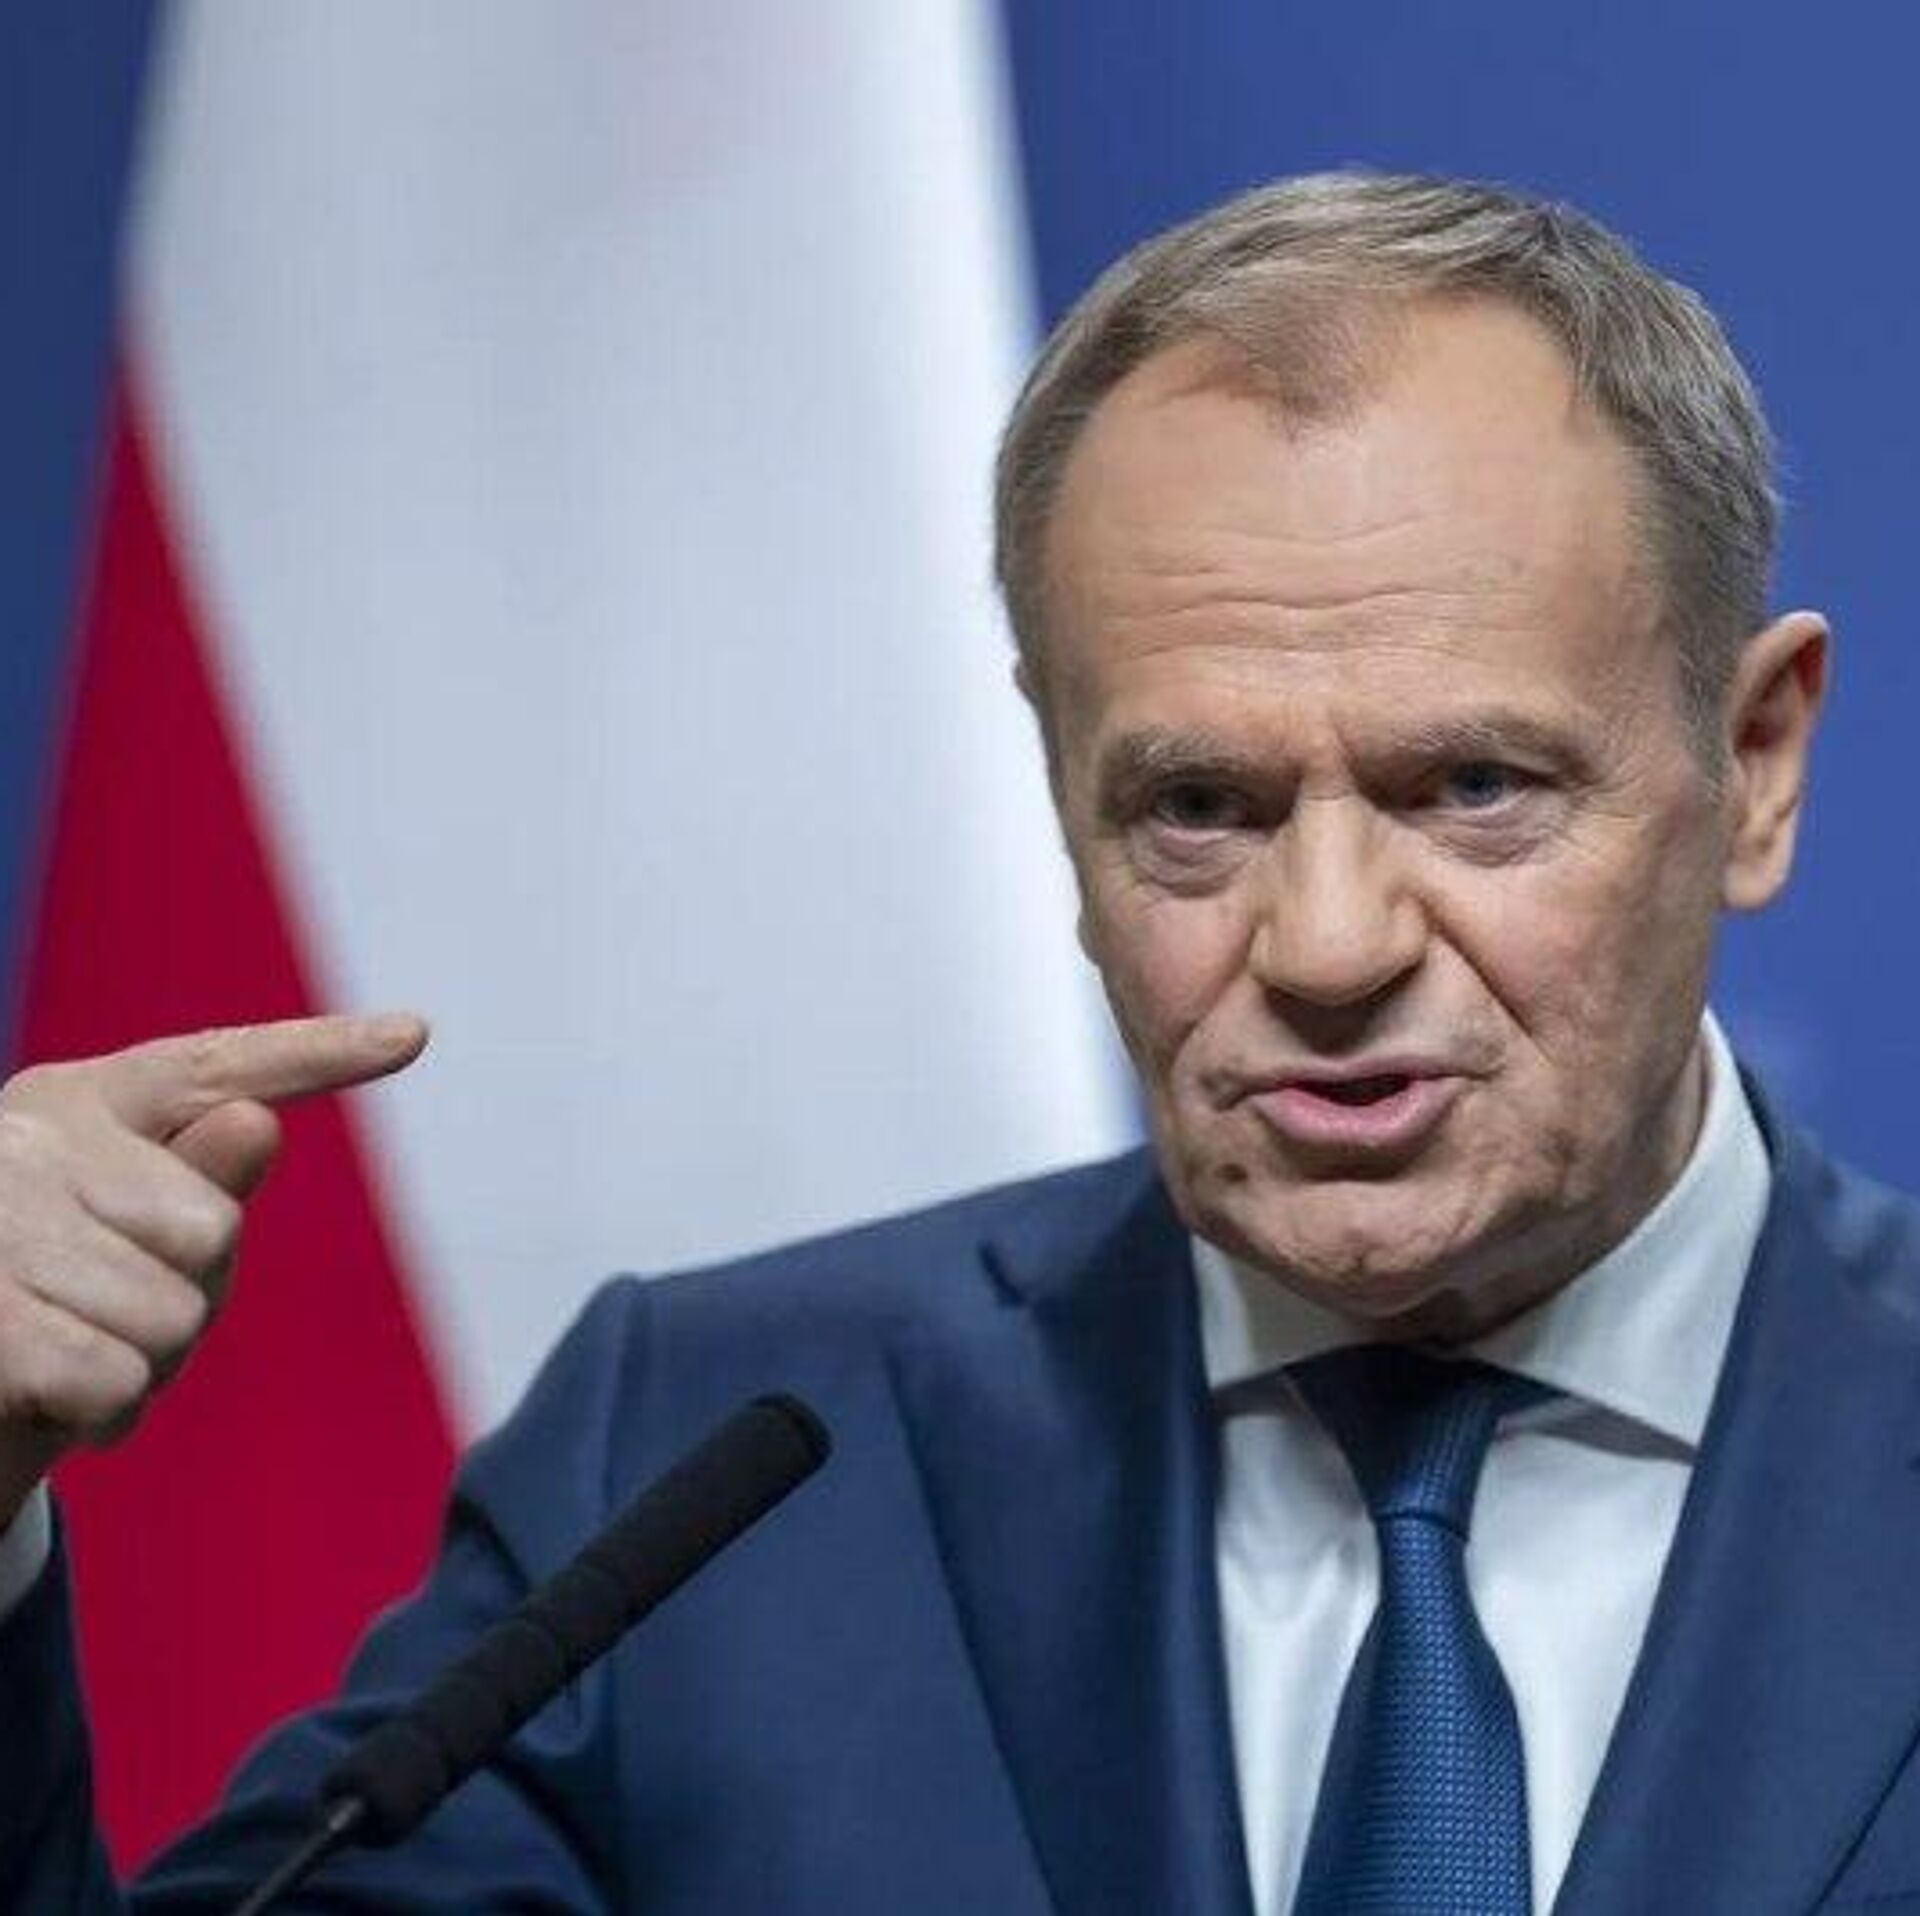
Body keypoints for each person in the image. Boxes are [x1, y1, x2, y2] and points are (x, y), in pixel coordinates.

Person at [0, 171, 1909, 1914]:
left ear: (1754, 766)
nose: (1329, 947)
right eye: (1196, 808)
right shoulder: (706, 1461)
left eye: (1475, 787)